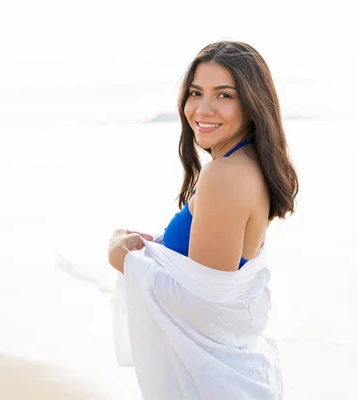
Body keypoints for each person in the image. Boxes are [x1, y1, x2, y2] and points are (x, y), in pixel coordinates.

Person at [108, 41, 298, 400]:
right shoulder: (249, 165)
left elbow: (203, 307)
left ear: (252, 103)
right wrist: (156, 249)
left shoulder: (224, 176)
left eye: (224, 95)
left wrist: (122, 256)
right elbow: (217, 280)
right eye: (196, 93)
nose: (202, 109)